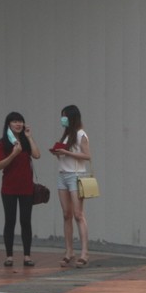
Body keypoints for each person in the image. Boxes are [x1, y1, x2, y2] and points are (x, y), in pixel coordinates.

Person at [0, 111, 41, 267]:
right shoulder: (4, 143)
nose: (18, 124)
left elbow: (37, 155)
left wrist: (29, 137)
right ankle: (9, 256)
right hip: (9, 188)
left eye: (20, 121)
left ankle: (27, 256)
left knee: (25, 221)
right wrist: (13, 154)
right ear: (8, 124)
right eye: (14, 121)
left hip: (26, 187)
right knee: (10, 221)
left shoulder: (25, 141)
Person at [50, 104, 91, 268]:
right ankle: (69, 251)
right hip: (63, 175)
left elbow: (87, 156)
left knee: (78, 214)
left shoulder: (81, 134)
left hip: (76, 175)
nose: (63, 119)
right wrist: (58, 153)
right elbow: (64, 158)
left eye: (65, 116)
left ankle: (84, 252)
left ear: (72, 117)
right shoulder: (66, 135)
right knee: (66, 214)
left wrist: (66, 152)